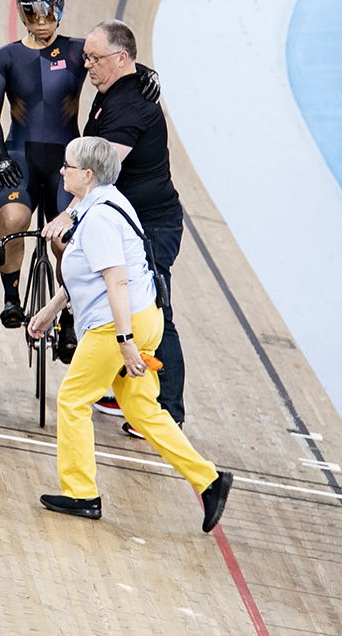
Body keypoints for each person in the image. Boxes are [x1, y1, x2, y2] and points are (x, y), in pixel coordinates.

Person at [28, 136, 232, 530]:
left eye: (67, 166)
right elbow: (88, 275)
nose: (61, 171)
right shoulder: (108, 202)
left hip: (117, 326)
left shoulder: (99, 219)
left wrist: (123, 344)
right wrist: (52, 310)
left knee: (72, 400)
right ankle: (208, 481)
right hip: (145, 317)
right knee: (143, 409)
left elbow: (116, 282)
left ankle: (80, 493)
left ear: (87, 175)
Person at [43, 20, 190, 429]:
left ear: (122, 59)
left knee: (156, 306)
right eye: (85, 56)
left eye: (95, 58)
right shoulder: (121, 84)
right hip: (124, 219)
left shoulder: (130, 106)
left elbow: (100, 171)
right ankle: (126, 384)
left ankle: (168, 410)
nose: (86, 65)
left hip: (151, 222)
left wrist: (69, 213)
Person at [0, 0, 82, 330]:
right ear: (22, 15)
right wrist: (2, 158)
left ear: (60, 11)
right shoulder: (5, 58)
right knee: (12, 221)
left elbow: (115, 60)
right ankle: (12, 297)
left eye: (48, 14)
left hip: (65, 164)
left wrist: (143, 76)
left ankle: (68, 315)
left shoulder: (78, 51)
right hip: (20, 157)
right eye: (33, 15)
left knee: (63, 243)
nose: (41, 23)